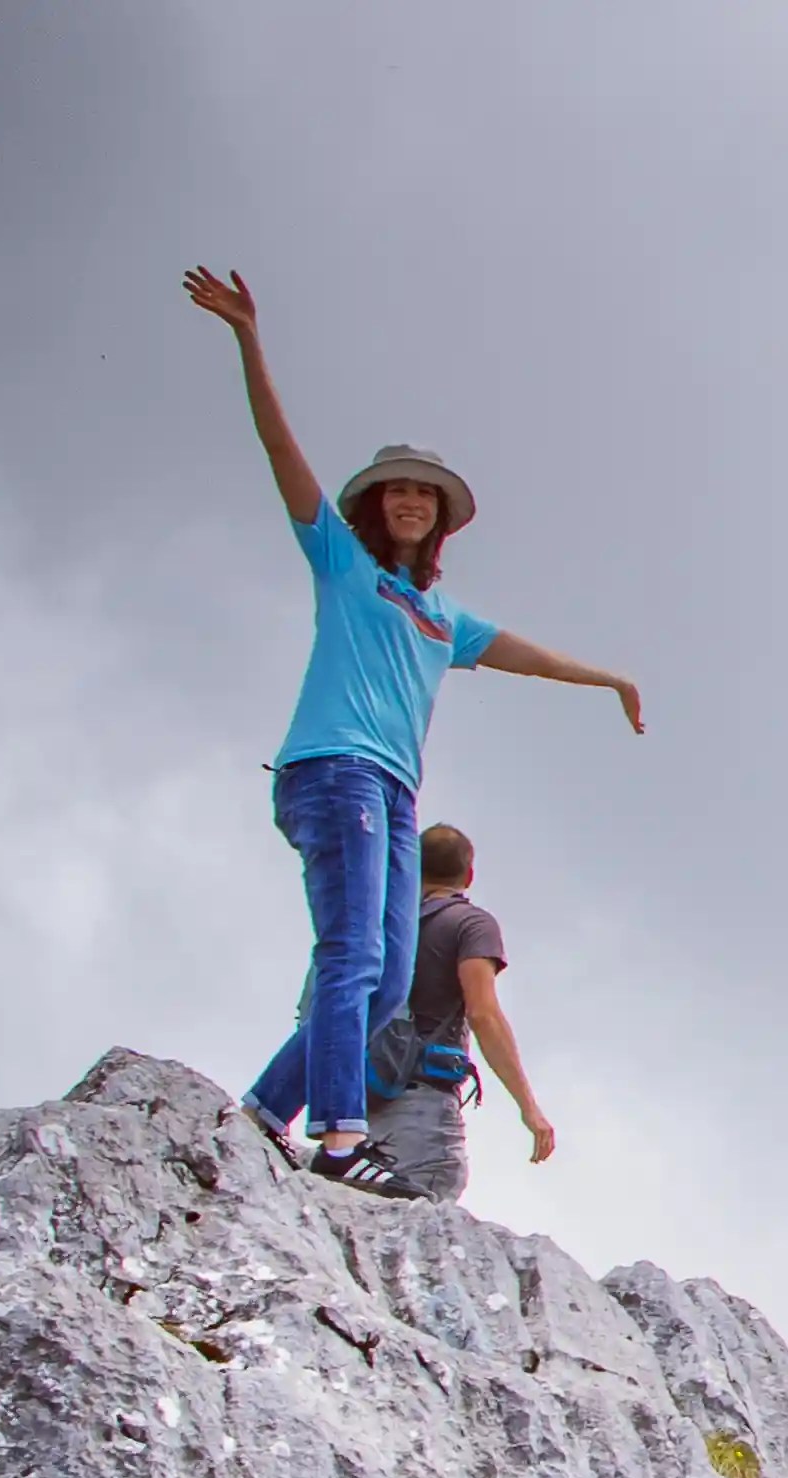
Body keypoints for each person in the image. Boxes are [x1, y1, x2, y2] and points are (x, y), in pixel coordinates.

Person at [182, 265, 642, 1198]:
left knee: (388, 982)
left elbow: (522, 653)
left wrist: (609, 679)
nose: (409, 504)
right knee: (351, 957)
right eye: (396, 492)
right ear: (374, 505)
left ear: (439, 519)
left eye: (423, 497)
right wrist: (247, 341)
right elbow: (283, 458)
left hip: (394, 790)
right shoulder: (344, 566)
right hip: (334, 770)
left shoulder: (441, 617)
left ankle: (264, 1116)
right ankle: (343, 1137)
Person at [367, 827, 549, 1204]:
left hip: (361, 1105)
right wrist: (529, 1108)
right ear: (469, 875)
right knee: (417, 1237)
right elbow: (484, 1015)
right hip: (423, 1112)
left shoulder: (383, 925)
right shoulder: (471, 924)